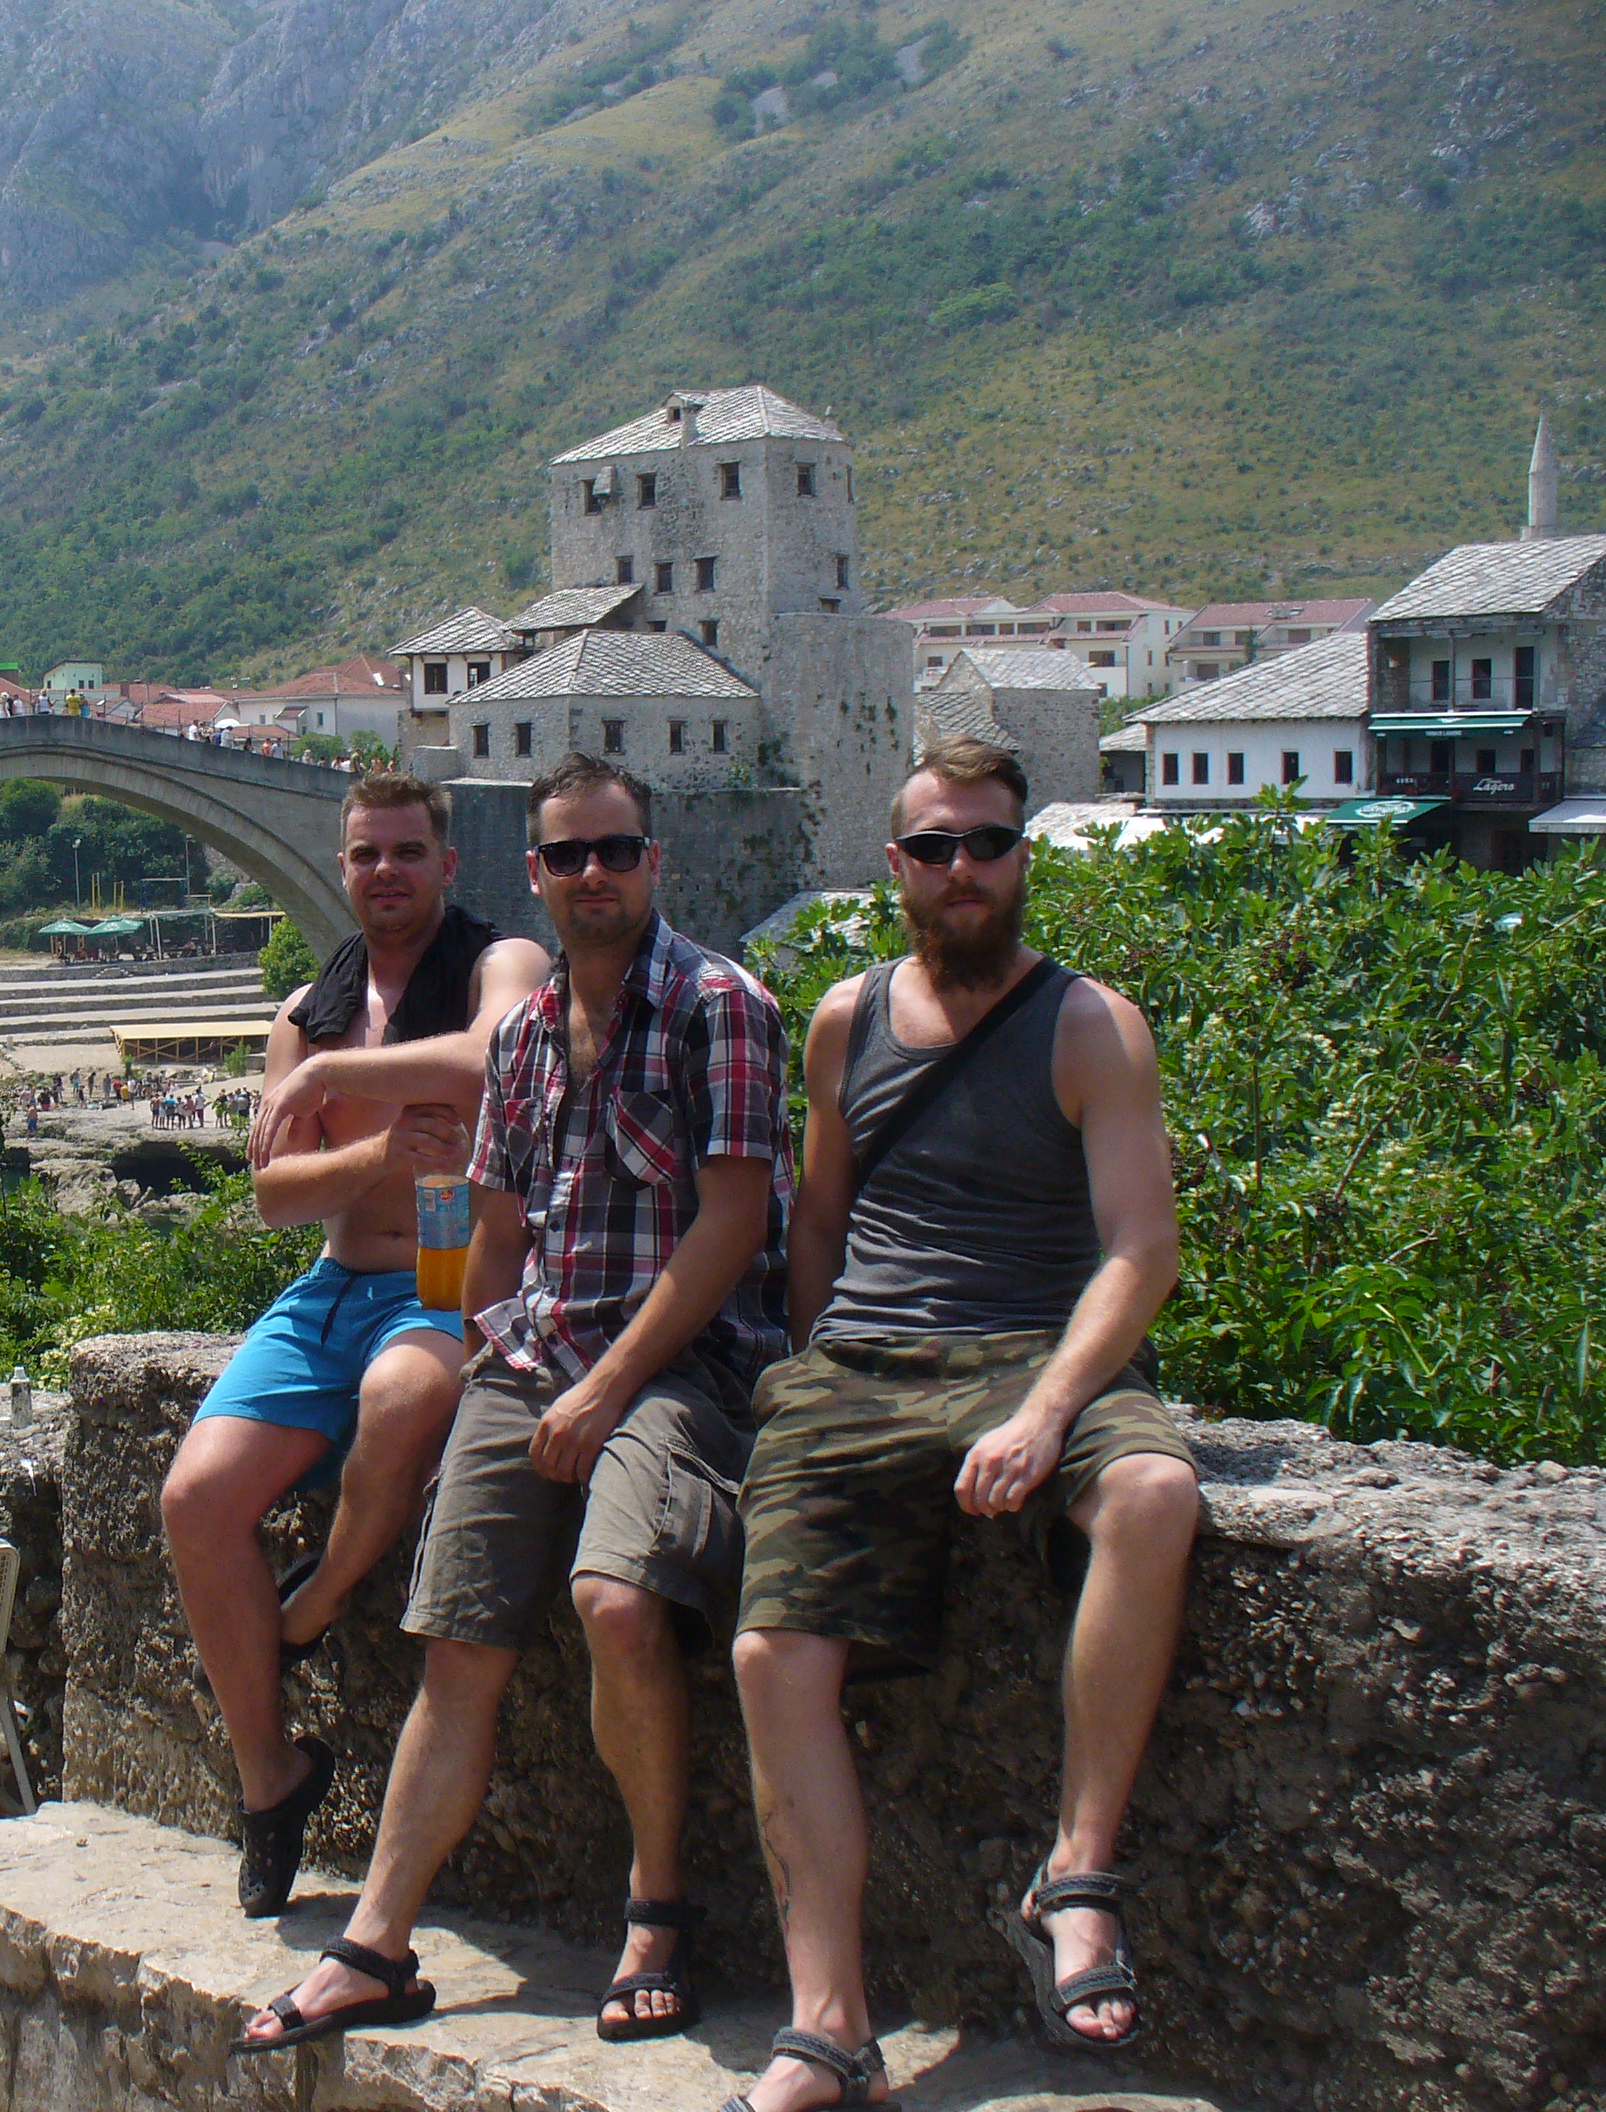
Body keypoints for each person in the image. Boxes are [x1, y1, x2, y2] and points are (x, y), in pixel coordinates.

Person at [241, 753, 793, 2053]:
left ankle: (655, 1911)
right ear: (534, 873)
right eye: (568, 855)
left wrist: (605, 1386)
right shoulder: (529, 1033)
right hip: (533, 1356)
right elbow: (491, 1232)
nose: (594, 874)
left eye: (617, 850)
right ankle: (375, 1946)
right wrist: (473, 1349)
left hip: (679, 1365)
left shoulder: (720, 1005)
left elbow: (732, 1225)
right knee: (458, 1639)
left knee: (616, 1603)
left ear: (654, 860)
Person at [719, 734, 1198, 2110]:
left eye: (986, 843)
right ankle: (830, 2029)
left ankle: (1077, 1876)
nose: (962, 869)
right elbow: (819, 1216)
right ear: (896, 867)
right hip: (864, 1360)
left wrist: (1048, 1412)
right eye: (935, 847)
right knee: (770, 1651)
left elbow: (1141, 1250)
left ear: (1021, 857)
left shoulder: (1090, 1026)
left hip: (1034, 1349)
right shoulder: (844, 1019)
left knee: (1153, 1496)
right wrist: (815, 1373)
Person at [165, 772, 549, 1918]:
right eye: (366, 854)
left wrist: (334, 1080)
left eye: (406, 851)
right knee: (194, 1499)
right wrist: (379, 1154)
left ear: (444, 864)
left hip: (442, 1269)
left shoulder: (496, 964)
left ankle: (317, 1600)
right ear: (342, 869)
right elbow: (273, 1196)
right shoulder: (307, 1009)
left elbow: (491, 1057)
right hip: (333, 1281)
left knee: (401, 1400)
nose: (385, 871)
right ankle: (268, 1780)